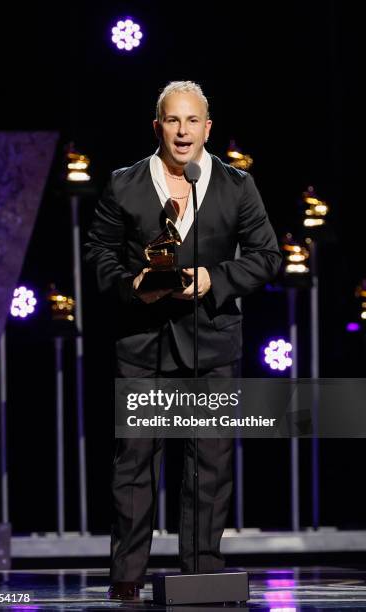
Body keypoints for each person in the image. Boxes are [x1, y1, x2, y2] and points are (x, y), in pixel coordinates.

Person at [85, 81, 281, 600]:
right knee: (133, 465)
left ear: (208, 128)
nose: (183, 131)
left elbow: (266, 256)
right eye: (173, 121)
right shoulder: (123, 185)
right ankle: (127, 580)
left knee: (209, 465)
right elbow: (97, 256)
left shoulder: (237, 186)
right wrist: (132, 287)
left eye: (193, 121)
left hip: (211, 344)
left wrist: (214, 278)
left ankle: (202, 579)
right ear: (158, 127)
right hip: (141, 344)